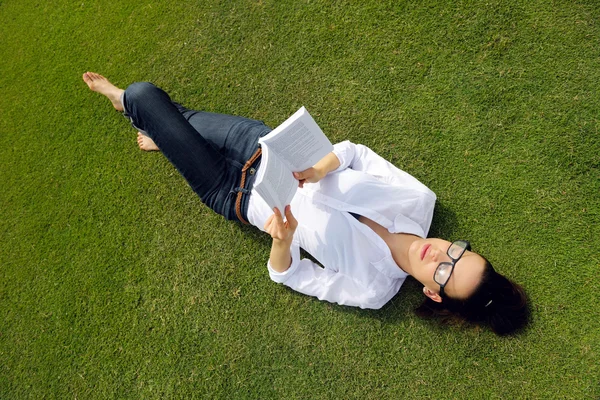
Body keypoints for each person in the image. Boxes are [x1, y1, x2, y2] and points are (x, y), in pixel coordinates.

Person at [83, 72, 529, 336]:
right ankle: (168, 135)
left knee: (141, 96)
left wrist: (284, 239)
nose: (443, 253)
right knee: (175, 121)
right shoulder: (418, 200)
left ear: (433, 293)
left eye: (446, 272)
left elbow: (290, 274)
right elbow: (354, 153)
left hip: (234, 192)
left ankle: (126, 104)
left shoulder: (373, 290)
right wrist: (319, 170)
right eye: (459, 251)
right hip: (263, 147)